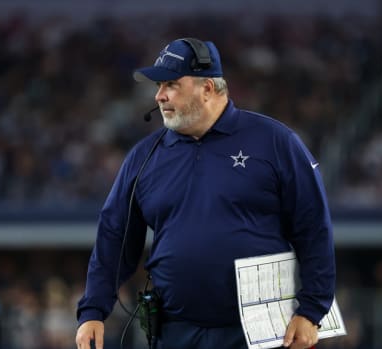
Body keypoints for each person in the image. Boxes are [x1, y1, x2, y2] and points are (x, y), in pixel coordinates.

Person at [75, 37, 336, 349]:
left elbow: (314, 229)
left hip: (262, 331)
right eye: (159, 87)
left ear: (208, 88)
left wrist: (311, 310)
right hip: (175, 331)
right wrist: (93, 310)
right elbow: (114, 238)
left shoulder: (276, 142)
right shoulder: (144, 156)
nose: (159, 96)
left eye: (171, 84)